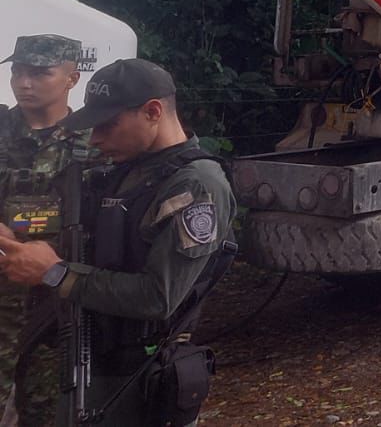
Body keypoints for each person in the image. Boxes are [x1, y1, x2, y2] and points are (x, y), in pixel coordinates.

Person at [0, 59, 235, 426]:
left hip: (137, 376)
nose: (95, 140)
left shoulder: (195, 185)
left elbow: (157, 296)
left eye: (107, 126)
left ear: (153, 111)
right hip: (91, 358)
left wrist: (54, 274)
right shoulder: (127, 169)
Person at [0, 35, 88, 427]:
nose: (23, 82)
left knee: (47, 411)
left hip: (57, 304)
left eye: (39, 73)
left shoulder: (95, 140)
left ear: (72, 78)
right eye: (17, 71)